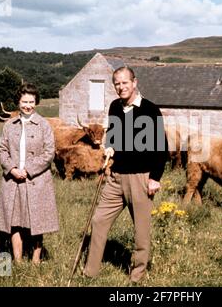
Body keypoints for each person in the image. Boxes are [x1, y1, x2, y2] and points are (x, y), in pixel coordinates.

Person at [83, 66, 167, 283]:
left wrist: (155, 178)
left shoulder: (150, 110)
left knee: (141, 232)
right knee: (99, 220)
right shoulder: (114, 107)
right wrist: (110, 146)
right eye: (117, 84)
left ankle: (136, 276)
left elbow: (161, 148)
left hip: (140, 178)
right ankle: (90, 272)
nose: (120, 87)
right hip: (116, 177)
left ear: (134, 82)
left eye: (124, 82)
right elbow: (114, 134)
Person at [0, 82, 59, 264]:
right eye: (24, 102)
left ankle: (36, 259)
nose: (28, 106)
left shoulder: (44, 125)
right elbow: (2, 150)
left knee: (37, 221)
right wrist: (12, 169)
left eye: (31, 102)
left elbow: (49, 153)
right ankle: (17, 261)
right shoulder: (9, 125)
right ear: (18, 103)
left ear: (36, 103)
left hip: (37, 181)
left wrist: (29, 170)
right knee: (14, 221)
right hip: (12, 181)